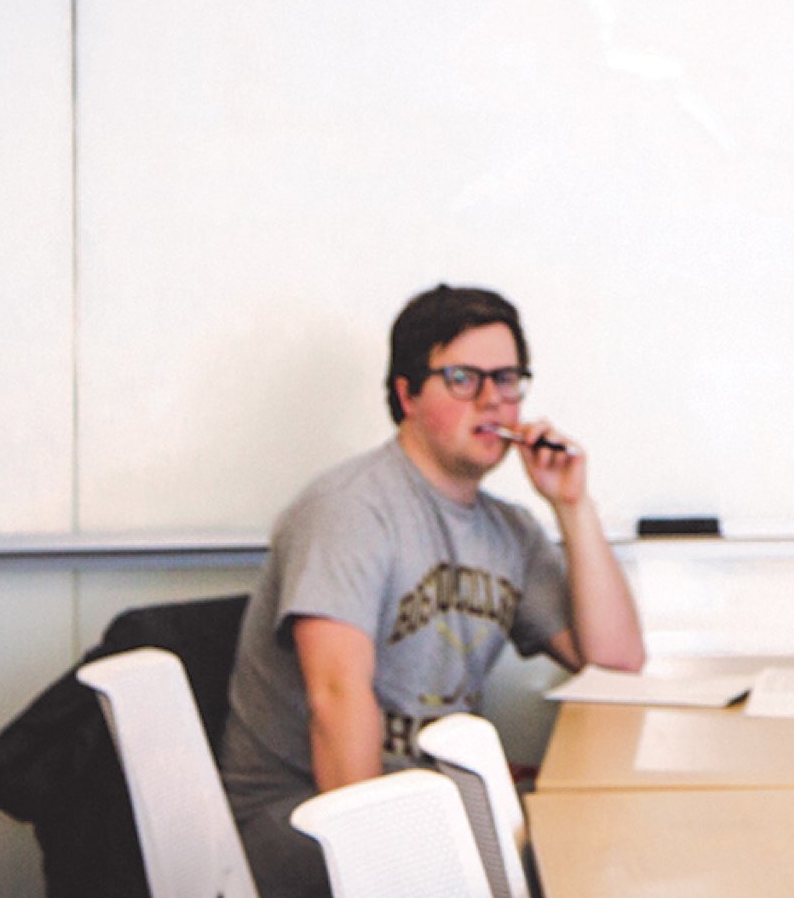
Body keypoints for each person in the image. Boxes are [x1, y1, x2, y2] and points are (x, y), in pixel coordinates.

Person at [221, 284, 645, 897]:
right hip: (302, 815)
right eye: (464, 379)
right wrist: (377, 866)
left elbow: (615, 664)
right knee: (564, 869)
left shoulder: (512, 531)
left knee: (591, 845)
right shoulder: (351, 512)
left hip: (427, 798)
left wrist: (572, 507)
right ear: (407, 395)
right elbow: (336, 700)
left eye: (507, 380)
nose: (494, 403)